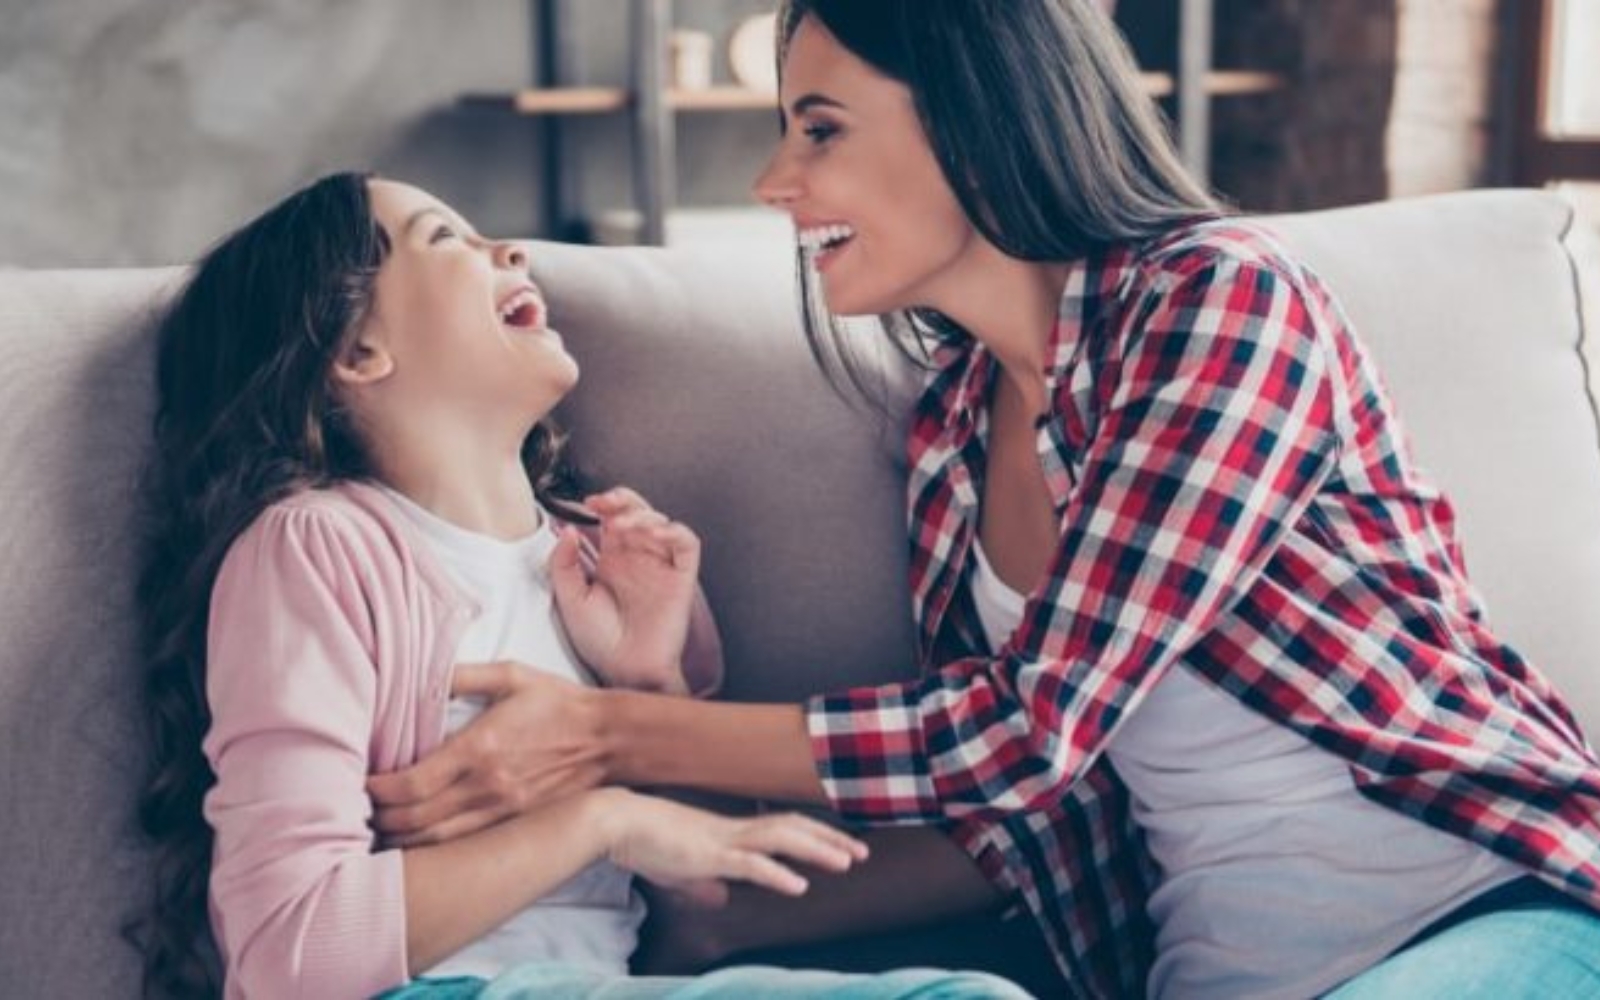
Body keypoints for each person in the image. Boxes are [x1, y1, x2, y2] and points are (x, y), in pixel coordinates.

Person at [362, 2, 1600, 998]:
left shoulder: (1220, 301)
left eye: (820, 129)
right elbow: (1016, 818)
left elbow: (1030, 725)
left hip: (1490, 909)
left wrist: (601, 739)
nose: (773, 180)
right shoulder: (950, 440)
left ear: (974, 115)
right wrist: (704, 916)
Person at [132, 170, 1032, 1000]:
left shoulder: (597, 562)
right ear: (357, 350)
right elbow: (287, 955)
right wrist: (603, 819)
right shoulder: (318, 549)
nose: (509, 250)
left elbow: (709, 905)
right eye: (446, 237)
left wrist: (648, 682)